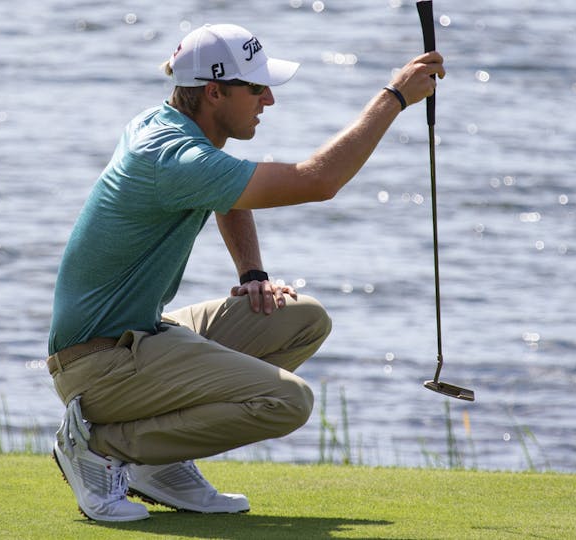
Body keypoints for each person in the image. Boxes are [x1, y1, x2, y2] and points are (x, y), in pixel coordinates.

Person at [47, 22, 445, 522]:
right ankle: (102, 447)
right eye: (256, 87)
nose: (269, 100)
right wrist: (395, 97)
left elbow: (224, 188)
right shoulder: (172, 157)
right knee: (288, 401)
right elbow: (318, 180)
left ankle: (158, 462)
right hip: (99, 364)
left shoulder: (172, 127)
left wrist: (252, 271)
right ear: (214, 92)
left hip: (137, 336)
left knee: (303, 318)